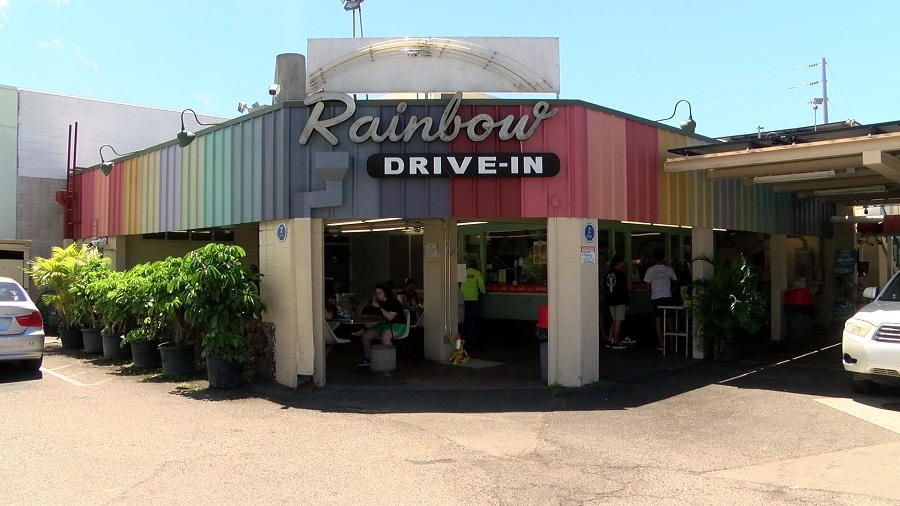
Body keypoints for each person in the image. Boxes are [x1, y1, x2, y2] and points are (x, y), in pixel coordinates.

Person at [357, 283, 406, 367]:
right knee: (365, 336)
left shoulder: (393, 302)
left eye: (380, 292)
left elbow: (390, 317)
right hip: (383, 324)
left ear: (385, 293)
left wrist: (379, 308)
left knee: (385, 337)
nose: (378, 294)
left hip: (397, 325)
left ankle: (389, 362)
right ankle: (367, 359)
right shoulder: (379, 302)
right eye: (376, 292)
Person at [644, 248, 678, 352]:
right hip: (667, 296)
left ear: (654, 258)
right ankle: (672, 341)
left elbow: (647, 285)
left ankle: (661, 342)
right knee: (669, 319)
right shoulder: (669, 269)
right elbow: (675, 280)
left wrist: (651, 291)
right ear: (664, 258)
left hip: (656, 297)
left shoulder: (650, 270)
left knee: (657, 321)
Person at [603, 254, 629, 350]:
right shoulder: (621, 274)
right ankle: (616, 341)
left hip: (610, 300)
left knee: (614, 321)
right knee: (618, 321)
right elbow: (624, 290)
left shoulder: (608, 274)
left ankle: (609, 340)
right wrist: (627, 302)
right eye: (622, 262)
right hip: (620, 300)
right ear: (619, 263)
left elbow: (604, 288)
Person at [459, 258, 485, 342]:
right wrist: (483, 291)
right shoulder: (477, 273)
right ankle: (470, 333)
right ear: (476, 265)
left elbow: (457, 283)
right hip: (473, 298)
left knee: (462, 317)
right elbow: (481, 284)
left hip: (463, 298)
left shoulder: (463, 272)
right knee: (472, 317)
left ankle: (462, 333)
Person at [597, 252, 610, 343]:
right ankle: (603, 334)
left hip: (607, 296)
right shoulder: (595, 270)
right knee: (601, 316)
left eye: (603, 259)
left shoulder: (607, 270)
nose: (601, 261)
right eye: (600, 259)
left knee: (605, 315)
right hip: (600, 297)